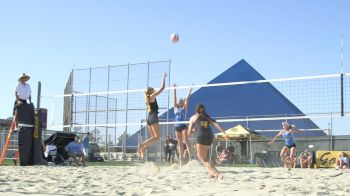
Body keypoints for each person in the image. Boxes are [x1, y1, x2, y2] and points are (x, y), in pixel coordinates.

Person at [188, 104, 228, 179]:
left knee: (202, 158)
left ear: (196, 110)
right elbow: (216, 124)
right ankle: (211, 173)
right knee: (205, 158)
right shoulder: (207, 117)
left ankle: (217, 174)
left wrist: (194, 129)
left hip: (201, 137)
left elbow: (189, 132)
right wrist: (224, 133)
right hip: (209, 137)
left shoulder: (193, 118)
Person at [138, 73, 167, 159]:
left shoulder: (147, 98)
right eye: (153, 90)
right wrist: (163, 78)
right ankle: (142, 145)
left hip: (149, 118)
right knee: (157, 137)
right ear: (151, 91)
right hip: (153, 117)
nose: (154, 90)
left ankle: (143, 149)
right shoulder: (152, 96)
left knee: (154, 138)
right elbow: (162, 88)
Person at [173, 84, 192, 165]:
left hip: (183, 126)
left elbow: (187, 99)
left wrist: (190, 90)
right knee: (179, 143)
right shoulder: (175, 108)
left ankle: (191, 157)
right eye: (179, 100)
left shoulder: (184, 108)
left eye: (181, 100)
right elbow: (174, 98)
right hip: (177, 127)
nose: (180, 101)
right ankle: (181, 160)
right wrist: (174, 89)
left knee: (186, 141)